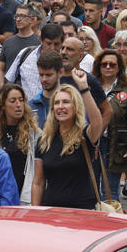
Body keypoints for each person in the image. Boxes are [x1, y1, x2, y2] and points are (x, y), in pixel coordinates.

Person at [31, 74, 103, 209]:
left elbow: (98, 121)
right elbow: (38, 182)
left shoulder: (85, 135)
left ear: (76, 106)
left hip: (82, 211)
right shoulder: (44, 139)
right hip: (51, 210)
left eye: (66, 102)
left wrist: (84, 88)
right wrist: (36, 211)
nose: (60, 106)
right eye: (56, 103)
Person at [94, 49, 127, 199]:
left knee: (110, 192)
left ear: (119, 67)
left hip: (116, 146)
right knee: (92, 189)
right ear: (98, 67)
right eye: (104, 64)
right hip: (93, 143)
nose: (108, 67)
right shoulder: (91, 87)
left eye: (112, 65)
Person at [0, 83, 40, 204]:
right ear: (3, 105)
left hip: (23, 196)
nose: (18, 105)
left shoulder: (34, 133)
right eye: (13, 101)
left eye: (21, 100)